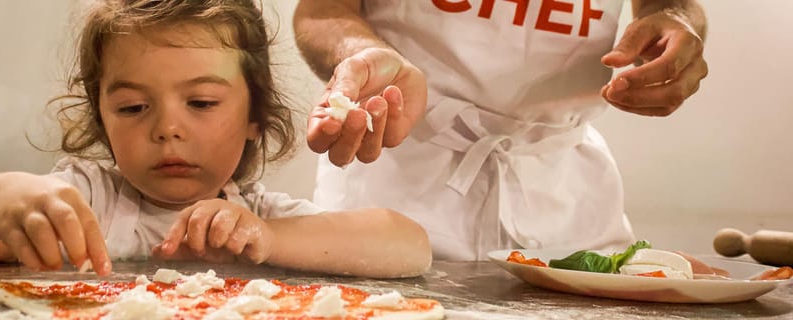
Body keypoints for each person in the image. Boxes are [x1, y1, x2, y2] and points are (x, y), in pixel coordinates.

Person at [0, 0, 431, 278]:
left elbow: (409, 245)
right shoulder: (86, 203)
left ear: (256, 115)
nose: (167, 128)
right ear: (101, 116)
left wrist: (271, 239)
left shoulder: (257, 220)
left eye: (202, 102)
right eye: (133, 107)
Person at [294, 0, 708, 260]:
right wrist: (365, 58)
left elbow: (669, 5)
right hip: (395, 183)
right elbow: (322, 9)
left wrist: (674, 24)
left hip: (565, 196)